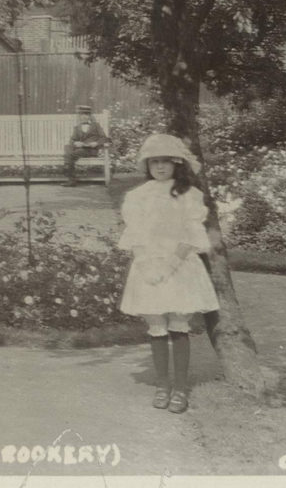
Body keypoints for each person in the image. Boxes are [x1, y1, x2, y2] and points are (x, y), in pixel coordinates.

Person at [116, 133, 220, 414]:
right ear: (146, 165)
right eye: (154, 162)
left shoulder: (189, 195)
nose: (160, 167)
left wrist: (170, 265)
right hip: (148, 267)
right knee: (156, 326)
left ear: (177, 164)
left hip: (179, 266)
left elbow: (191, 232)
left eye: (166, 162)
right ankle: (163, 384)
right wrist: (148, 265)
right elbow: (135, 234)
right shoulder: (137, 196)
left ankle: (181, 387)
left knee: (178, 323)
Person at [62, 104, 109, 186]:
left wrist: (96, 143)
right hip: (80, 150)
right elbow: (72, 140)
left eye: (86, 114)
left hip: (91, 150)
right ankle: (68, 167)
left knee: (70, 154)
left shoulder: (96, 125)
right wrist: (76, 143)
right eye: (82, 115)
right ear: (79, 116)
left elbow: (105, 138)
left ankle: (69, 175)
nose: (84, 117)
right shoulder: (77, 127)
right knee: (67, 147)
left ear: (89, 116)